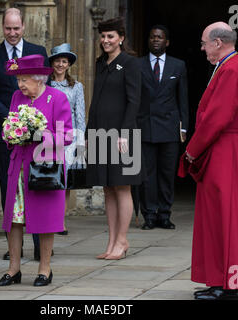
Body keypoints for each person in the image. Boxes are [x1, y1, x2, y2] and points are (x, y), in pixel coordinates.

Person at [179, 22, 238, 300]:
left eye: (203, 43)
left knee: (228, 217)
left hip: (224, 148)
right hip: (221, 147)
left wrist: (192, 150)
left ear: (217, 42)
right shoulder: (226, 65)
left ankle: (231, 286)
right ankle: (218, 280)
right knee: (215, 218)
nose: (201, 48)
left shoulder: (232, 68)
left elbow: (217, 118)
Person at [0, 54, 72, 287]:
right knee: (15, 220)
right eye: (19, 80)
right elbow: (9, 127)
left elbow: (67, 135)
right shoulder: (17, 97)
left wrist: (42, 135)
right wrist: (11, 133)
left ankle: (44, 269)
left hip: (44, 169)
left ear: (39, 79)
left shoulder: (57, 98)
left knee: (46, 220)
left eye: (24, 79)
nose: (20, 85)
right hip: (18, 168)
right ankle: (13, 269)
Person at [0, 8, 47, 260]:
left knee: (37, 187)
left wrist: (32, 121)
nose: (12, 33)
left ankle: (41, 246)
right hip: (5, 134)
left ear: (24, 27)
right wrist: (12, 119)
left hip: (35, 134)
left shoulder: (38, 52)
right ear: (2, 27)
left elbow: (44, 89)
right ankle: (14, 248)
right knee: (9, 189)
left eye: (16, 28)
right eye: (8, 28)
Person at [85, 17, 142, 260]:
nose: (105, 40)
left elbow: (134, 101)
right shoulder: (100, 63)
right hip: (100, 132)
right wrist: (88, 134)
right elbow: (95, 101)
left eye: (110, 36)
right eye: (103, 36)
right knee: (107, 187)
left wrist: (125, 134)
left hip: (123, 135)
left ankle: (122, 240)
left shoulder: (131, 63)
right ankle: (110, 241)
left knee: (122, 186)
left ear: (121, 38)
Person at [136, 25, 189, 230]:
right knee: (147, 175)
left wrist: (184, 128)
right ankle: (149, 214)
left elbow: (182, 98)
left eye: (160, 37)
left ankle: (165, 214)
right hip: (145, 125)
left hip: (169, 127)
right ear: (148, 40)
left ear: (167, 42)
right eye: (152, 37)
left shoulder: (178, 65)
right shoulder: (137, 65)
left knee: (167, 173)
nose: (155, 40)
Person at [49, 43, 86, 235]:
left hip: (69, 137)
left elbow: (80, 115)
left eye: (64, 61)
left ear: (68, 64)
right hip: (49, 136)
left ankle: (60, 221)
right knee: (49, 178)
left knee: (64, 182)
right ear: (52, 63)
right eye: (58, 60)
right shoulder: (45, 85)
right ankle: (48, 218)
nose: (61, 64)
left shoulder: (76, 86)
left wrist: (81, 141)